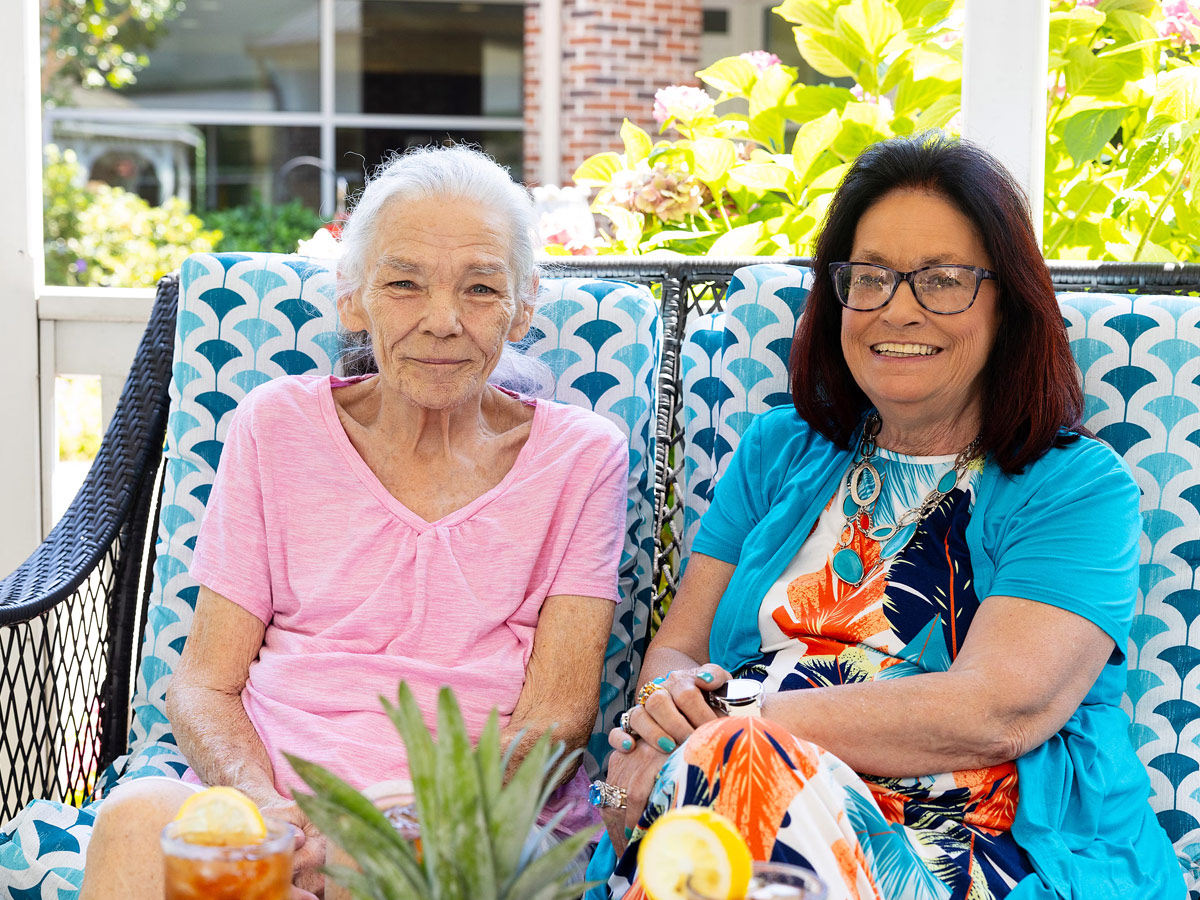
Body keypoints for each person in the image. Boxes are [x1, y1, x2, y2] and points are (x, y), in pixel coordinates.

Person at [587, 132, 1184, 900]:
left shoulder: (1074, 486)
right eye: (870, 278)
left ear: (1008, 303)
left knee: (735, 782)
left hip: (966, 843)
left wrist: (734, 725)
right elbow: (676, 652)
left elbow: (996, 710)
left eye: (941, 280)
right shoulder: (776, 450)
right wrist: (659, 724)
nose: (898, 310)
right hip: (719, 801)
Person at [79, 145, 629, 900]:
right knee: (139, 824)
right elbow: (203, 685)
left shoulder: (582, 456)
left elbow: (559, 718)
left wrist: (390, 830)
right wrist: (268, 813)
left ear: (525, 305)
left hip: (462, 819)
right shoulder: (273, 427)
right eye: (404, 284)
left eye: (480, 288)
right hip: (267, 795)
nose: (443, 321)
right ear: (352, 297)